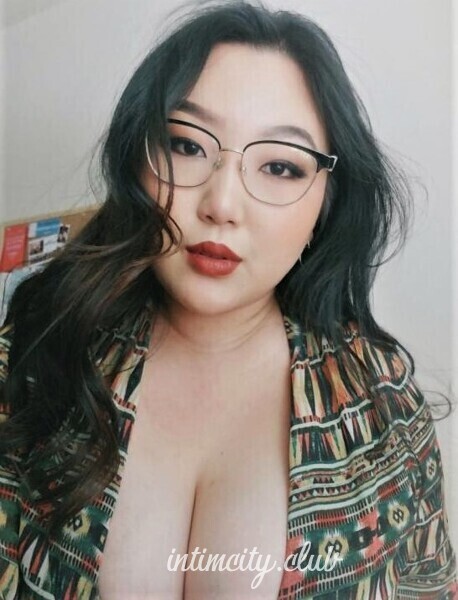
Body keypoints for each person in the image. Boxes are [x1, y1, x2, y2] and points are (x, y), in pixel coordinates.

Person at [0, 1, 456, 598]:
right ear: (138, 159)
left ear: (326, 200)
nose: (221, 204)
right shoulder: (34, 351)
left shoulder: (384, 403)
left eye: (280, 166)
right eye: (187, 145)